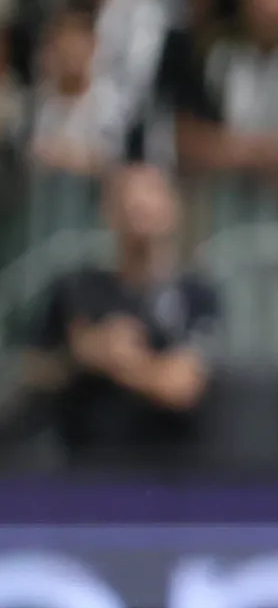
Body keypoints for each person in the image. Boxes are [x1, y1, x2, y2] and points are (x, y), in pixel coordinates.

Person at [34, 164, 218, 461]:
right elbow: (34, 370)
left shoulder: (197, 294)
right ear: (108, 211)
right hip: (83, 470)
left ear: (173, 207)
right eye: (127, 198)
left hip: (171, 474)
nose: (139, 206)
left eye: (150, 194)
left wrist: (118, 361)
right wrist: (78, 356)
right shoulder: (76, 289)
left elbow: (182, 386)